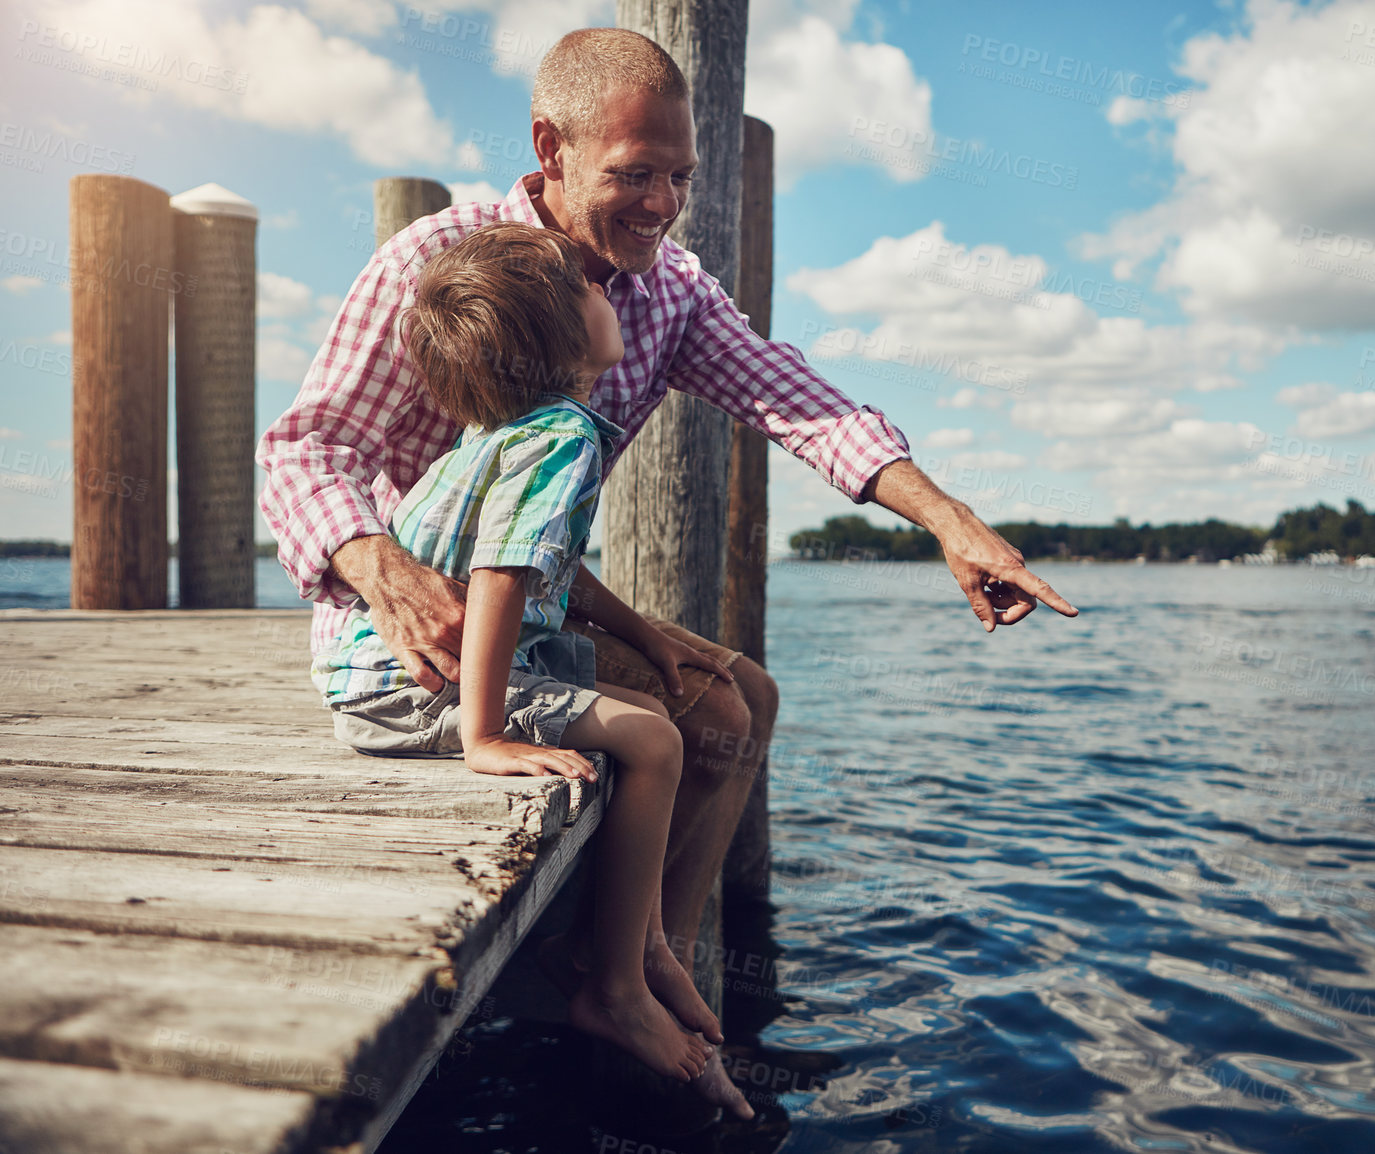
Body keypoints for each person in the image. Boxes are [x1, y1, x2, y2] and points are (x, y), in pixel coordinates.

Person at [257, 24, 1076, 1085]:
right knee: (713, 715)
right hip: (410, 632)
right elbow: (306, 447)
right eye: (633, 174)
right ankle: (622, 994)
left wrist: (951, 521)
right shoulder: (436, 264)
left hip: (531, 609)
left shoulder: (666, 289)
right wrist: (383, 568)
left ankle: (644, 957)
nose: (660, 204)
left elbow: (799, 400)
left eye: (680, 176)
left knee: (749, 694)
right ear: (550, 147)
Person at [314, 221, 743, 1096]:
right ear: (559, 338)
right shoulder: (562, 440)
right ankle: (618, 989)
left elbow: (550, 563)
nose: (605, 291)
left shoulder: (507, 431)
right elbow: (503, 575)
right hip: (412, 689)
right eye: (586, 289)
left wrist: (643, 630)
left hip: (376, 676)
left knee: (653, 716)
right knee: (656, 742)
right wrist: (481, 733)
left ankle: (642, 942)